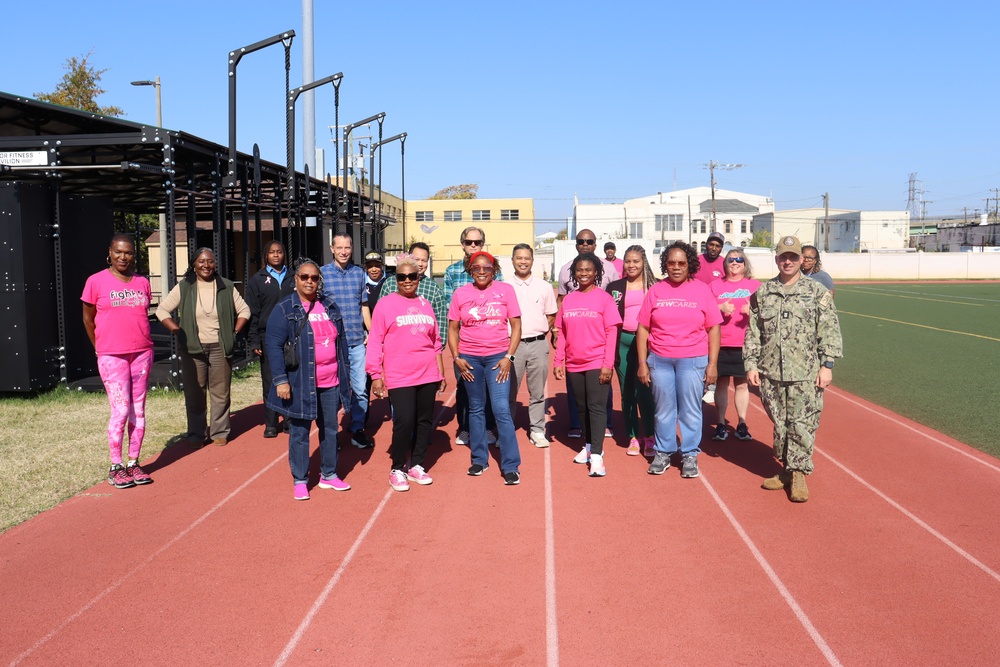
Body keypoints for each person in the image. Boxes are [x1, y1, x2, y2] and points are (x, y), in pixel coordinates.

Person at [744, 236, 843, 503]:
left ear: (801, 260)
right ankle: (786, 468)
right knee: (780, 423)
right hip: (771, 371)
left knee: (802, 423)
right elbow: (754, 332)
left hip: (805, 372)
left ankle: (799, 473)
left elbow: (830, 331)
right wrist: (751, 363)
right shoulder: (763, 293)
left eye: (793, 257)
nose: (788, 261)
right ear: (776, 259)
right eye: (783, 257)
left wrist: (827, 365)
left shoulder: (816, 292)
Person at [266, 258, 353, 500]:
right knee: (300, 432)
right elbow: (273, 346)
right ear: (296, 280)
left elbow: (341, 342)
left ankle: (329, 474)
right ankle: (301, 479)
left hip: (330, 381)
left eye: (314, 278)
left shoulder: (330, 306)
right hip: (300, 381)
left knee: (330, 430)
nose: (310, 282)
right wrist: (281, 380)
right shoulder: (285, 309)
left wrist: (346, 375)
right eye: (304, 277)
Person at [637, 241, 722, 479]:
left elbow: (714, 328)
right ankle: (663, 452)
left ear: (689, 265)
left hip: (693, 360)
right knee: (663, 410)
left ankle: (689, 455)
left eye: (681, 263)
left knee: (690, 410)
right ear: (665, 264)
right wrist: (643, 363)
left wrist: (712, 364)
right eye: (671, 262)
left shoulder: (702, 290)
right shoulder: (656, 290)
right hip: (660, 360)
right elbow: (643, 328)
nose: (676, 267)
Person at [366, 254, 447, 492]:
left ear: (419, 278)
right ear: (396, 279)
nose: (407, 280)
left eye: (412, 276)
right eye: (402, 277)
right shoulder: (385, 304)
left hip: (427, 373)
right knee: (404, 421)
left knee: (424, 422)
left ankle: (417, 465)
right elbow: (375, 341)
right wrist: (375, 375)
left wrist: (440, 373)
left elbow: (436, 341)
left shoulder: (425, 303)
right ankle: (398, 468)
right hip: (400, 375)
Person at [81, 233, 155, 488]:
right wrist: (100, 348)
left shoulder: (142, 282)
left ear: (134, 254)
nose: (123, 257)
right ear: (110, 253)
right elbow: (88, 320)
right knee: (120, 409)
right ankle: (116, 466)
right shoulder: (95, 282)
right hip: (112, 355)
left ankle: (133, 463)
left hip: (142, 352)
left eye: (128, 252)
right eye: (118, 252)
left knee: (138, 410)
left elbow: (141, 314)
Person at [156, 247, 249, 447]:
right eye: (201, 261)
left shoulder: (226, 285)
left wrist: (233, 332)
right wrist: (177, 330)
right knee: (195, 391)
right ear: (194, 265)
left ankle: (220, 432)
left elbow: (244, 310)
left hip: (220, 347)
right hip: (193, 348)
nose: (206, 265)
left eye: (210, 261)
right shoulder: (184, 286)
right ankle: (197, 433)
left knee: (220, 391)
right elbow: (162, 310)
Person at [447, 251, 523, 485]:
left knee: (501, 409)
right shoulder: (460, 294)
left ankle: (511, 465)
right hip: (470, 360)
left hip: (497, 359)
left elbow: (516, 325)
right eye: (477, 267)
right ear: (470, 269)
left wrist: (508, 357)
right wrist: (457, 357)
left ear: (494, 269)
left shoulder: (506, 291)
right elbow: (452, 329)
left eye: (486, 267)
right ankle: (479, 459)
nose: (481, 271)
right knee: (476, 409)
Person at [553, 253, 621, 477]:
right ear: (574, 273)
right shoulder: (569, 300)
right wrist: (558, 360)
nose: (584, 273)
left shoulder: (604, 299)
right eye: (579, 270)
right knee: (582, 409)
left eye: (588, 270)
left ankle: (598, 456)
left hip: (597, 361)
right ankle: (589, 446)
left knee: (596, 407)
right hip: (574, 363)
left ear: (596, 273)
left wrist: (607, 365)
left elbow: (612, 332)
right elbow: (561, 332)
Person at [557, 229, 619, 439]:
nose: (585, 244)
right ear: (576, 243)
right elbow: (562, 302)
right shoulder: (566, 270)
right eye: (581, 241)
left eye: (589, 241)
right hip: (575, 336)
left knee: (600, 390)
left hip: (599, 338)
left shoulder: (609, 268)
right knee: (578, 394)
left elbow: (616, 296)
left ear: (595, 243)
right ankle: (578, 426)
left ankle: (605, 425)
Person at [443, 227, 503, 445]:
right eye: (469, 242)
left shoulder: (493, 268)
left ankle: (488, 427)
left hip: (490, 342)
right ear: (462, 244)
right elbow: (452, 311)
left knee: (487, 387)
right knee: (463, 387)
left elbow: (500, 298)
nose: (473, 246)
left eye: (477, 242)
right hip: (464, 342)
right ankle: (465, 428)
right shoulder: (452, 271)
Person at [320, 232, 373, 449]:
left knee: (360, 388)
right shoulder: (322, 274)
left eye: (347, 248)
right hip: (331, 344)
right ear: (332, 249)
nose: (343, 252)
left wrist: (372, 332)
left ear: (352, 249)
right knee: (333, 390)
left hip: (356, 341)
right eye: (339, 248)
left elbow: (364, 306)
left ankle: (357, 429)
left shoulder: (359, 274)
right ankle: (331, 434)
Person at [606, 245, 658, 458]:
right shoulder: (615, 287)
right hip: (623, 342)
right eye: (628, 261)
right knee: (628, 392)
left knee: (645, 392)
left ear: (643, 261)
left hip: (647, 343)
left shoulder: (653, 286)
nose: (632, 265)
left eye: (636, 261)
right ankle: (633, 437)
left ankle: (651, 436)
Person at [507, 243, 558, 449]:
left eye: (527, 258)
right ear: (512, 260)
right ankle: (506, 430)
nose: (523, 261)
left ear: (532, 261)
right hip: (512, 346)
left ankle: (537, 430)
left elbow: (551, 315)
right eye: (519, 258)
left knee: (537, 391)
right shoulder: (504, 286)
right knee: (509, 391)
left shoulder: (544, 287)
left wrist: (540, 332)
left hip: (538, 344)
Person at [709, 247, 761, 442]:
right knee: (721, 384)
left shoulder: (755, 285)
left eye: (739, 259)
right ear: (725, 263)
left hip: (745, 344)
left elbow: (767, 312)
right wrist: (719, 307)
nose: (735, 262)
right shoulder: (715, 285)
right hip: (720, 343)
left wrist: (754, 310)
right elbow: (704, 308)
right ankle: (721, 424)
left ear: (745, 263)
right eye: (731, 259)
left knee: (741, 385)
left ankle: (741, 423)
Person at [245, 240, 294, 438]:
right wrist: (254, 340)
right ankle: (271, 422)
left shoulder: (293, 277)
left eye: (279, 252)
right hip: (267, 336)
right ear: (266, 256)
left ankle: (290, 420)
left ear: (284, 254)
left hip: (291, 334)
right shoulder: (257, 280)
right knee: (270, 380)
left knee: (291, 377)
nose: (276, 255)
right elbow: (252, 312)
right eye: (272, 252)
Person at [378, 242, 448, 351]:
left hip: (424, 351)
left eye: (424, 260)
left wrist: (436, 350)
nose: (420, 264)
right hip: (394, 351)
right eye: (416, 259)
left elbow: (441, 325)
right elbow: (379, 319)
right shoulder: (390, 283)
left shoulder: (434, 289)